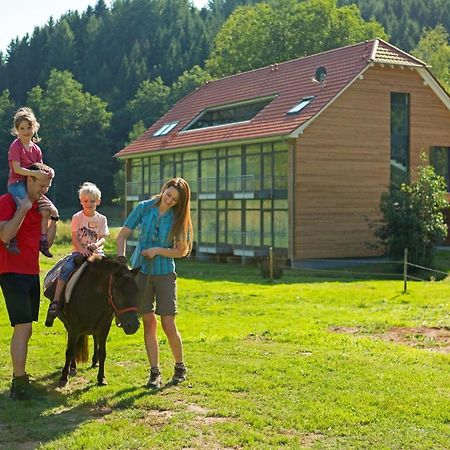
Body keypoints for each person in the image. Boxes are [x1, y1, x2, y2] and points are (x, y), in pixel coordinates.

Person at [116, 177, 193, 389]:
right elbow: (122, 236)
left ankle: (179, 367)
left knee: (168, 324)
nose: (169, 201)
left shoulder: (178, 217)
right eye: (168, 195)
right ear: (164, 189)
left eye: (174, 200)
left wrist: (157, 250)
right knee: (148, 322)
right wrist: (122, 261)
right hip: (140, 272)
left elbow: (181, 250)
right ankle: (154, 372)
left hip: (165, 274)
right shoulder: (144, 207)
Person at [0, 162, 58, 400]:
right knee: (22, 327)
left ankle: (20, 376)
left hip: (31, 271)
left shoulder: (41, 206)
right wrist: (23, 208)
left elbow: (49, 243)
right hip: (11, 271)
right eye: (41, 184)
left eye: (48, 186)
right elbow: (5, 235)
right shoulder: (7, 201)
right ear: (29, 179)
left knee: (26, 329)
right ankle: (19, 384)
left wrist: (53, 217)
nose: (44, 190)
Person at [45, 182, 109, 327]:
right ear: (81, 201)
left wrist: (95, 245)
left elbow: (103, 238)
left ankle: (115, 309)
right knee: (66, 269)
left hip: (97, 253)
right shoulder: (77, 217)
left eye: (92, 201)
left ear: (98, 201)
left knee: (112, 272)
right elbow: (74, 237)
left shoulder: (101, 219)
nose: (89, 204)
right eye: (86, 201)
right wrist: (82, 250)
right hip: (78, 252)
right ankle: (56, 301)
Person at [5, 107, 53, 257]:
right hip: (17, 183)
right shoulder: (15, 146)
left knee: (47, 209)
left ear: (34, 127)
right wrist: (34, 173)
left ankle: (43, 240)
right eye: (22, 128)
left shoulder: (36, 149)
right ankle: (11, 238)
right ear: (17, 130)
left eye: (29, 127)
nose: (26, 131)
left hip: (31, 184)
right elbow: (17, 169)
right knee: (25, 204)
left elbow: (40, 168)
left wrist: (49, 172)